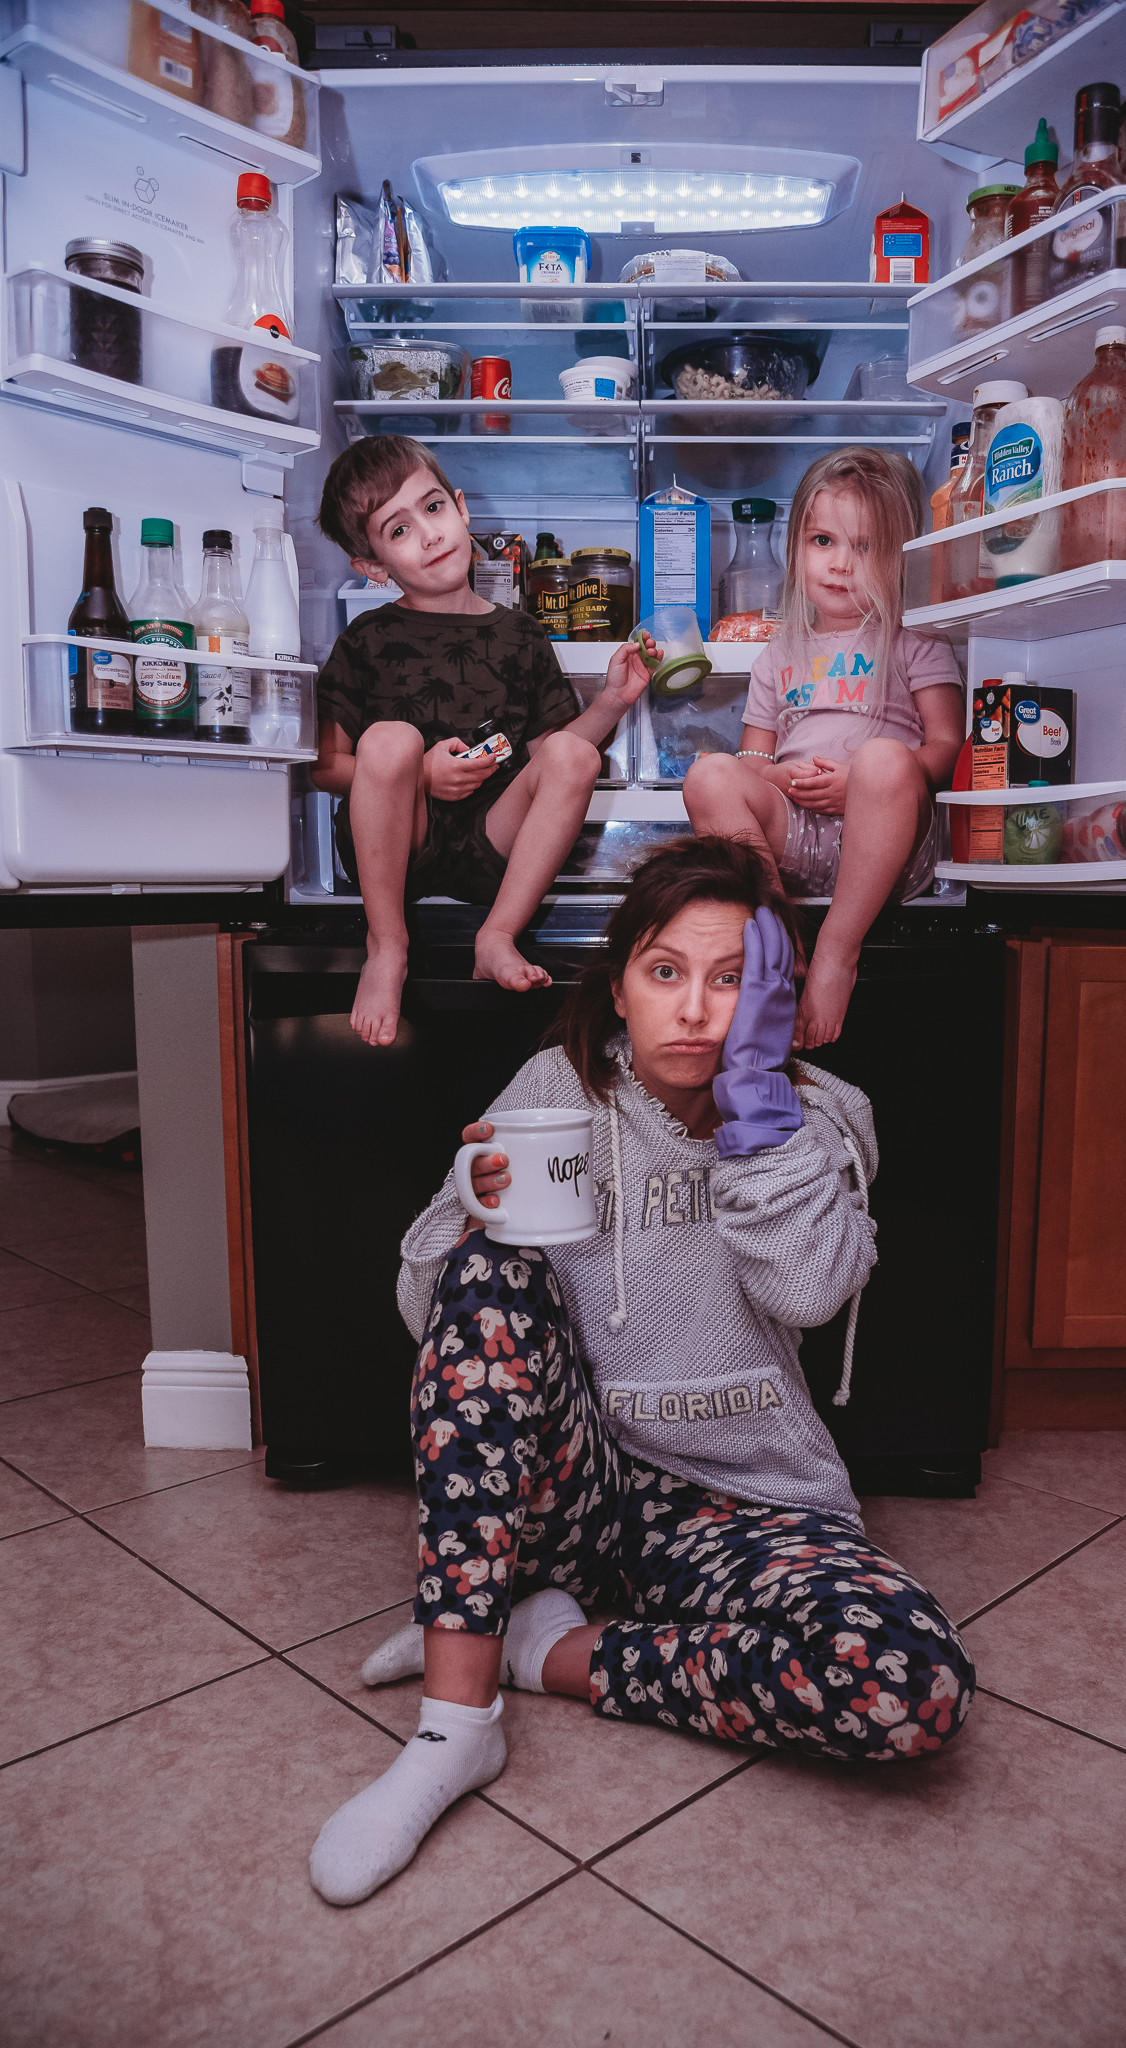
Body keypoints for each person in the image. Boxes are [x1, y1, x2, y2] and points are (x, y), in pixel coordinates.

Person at [308, 836, 974, 1908]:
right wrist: (470, 1209)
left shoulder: (825, 1118)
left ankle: (547, 1649)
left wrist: (759, 1107)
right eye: (666, 971)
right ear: (619, 984)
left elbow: (811, 1290)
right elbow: (431, 1319)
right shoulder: (555, 1090)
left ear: (774, 995)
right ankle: (455, 1722)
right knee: (489, 1263)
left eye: (732, 978)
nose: (696, 1010)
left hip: (743, 1501)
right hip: (573, 1493)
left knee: (909, 1682)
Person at [312, 436, 655, 1046]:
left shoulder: (521, 634)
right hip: (397, 847)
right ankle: (386, 947)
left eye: (433, 507)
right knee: (388, 741)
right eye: (398, 530)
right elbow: (326, 767)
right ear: (373, 567)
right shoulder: (365, 638)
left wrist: (613, 701)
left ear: (462, 507)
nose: (429, 534)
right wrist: (422, 775)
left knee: (575, 752)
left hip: (495, 844)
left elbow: (552, 758)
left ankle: (496, 935)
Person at [682, 447, 965, 1051]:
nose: (840, 565)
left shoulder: (914, 641)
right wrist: (784, 779)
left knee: (884, 758)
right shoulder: (777, 654)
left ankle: (837, 950)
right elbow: (753, 764)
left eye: (866, 547)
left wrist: (861, 783)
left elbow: (947, 748)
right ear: (795, 549)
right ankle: (778, 937)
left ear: (904, 557)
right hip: (793, 843)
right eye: (822, 541)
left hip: (889, 845)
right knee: (709, 775)